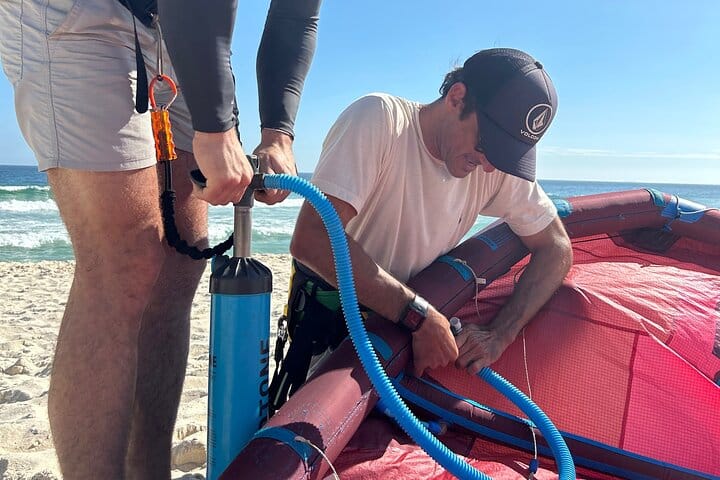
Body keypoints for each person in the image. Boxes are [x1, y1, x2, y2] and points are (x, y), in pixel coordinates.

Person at [0, 0, 320, 477]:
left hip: (173, 25)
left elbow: (296, 13)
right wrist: (215, 129)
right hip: (79, 11)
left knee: (179, 261)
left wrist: (279, 134)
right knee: (124, 261)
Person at [270, 48, 573, 411]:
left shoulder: (492, 166)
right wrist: (417, 315)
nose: (491, 165)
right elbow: (312, 239)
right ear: (456, 97)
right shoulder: (379, 121)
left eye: (507, 155)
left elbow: (556, 248)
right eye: (488, 144)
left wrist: (499, 335)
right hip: (333, 330)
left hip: (404, 336)